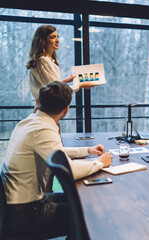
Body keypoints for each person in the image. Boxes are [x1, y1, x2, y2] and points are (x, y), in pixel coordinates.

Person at [0, 81, 113, 239]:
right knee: (88, 215)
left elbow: (55, 153)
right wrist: (100, 162)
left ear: (39, 102)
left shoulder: (29, 123)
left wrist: (87, 151)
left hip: (20, 205)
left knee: (81, 202)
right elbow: (69, 170)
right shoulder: (44, 129)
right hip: (25, 215)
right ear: (66, 110)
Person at [26, 25, 98, 102]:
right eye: (52, 37)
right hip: (49, 107)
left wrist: (64, 81)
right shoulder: (43, 61)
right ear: (43, 41)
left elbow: (49, 84)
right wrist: (80, 85)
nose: (57, 40)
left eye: (57, 36)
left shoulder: (48, 60)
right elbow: (56, 91)